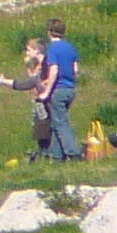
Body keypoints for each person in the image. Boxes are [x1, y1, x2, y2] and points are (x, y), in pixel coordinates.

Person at [38, 20, 85, 163]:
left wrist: (46, 90)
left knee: (61, 123)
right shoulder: (70, 48)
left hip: (58, 88)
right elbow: (75, 69)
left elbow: (54, 70)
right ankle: (57, 156)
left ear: (49, 32)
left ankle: (74, 153)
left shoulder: (52, 48)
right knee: (56, 122)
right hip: (70, 88)